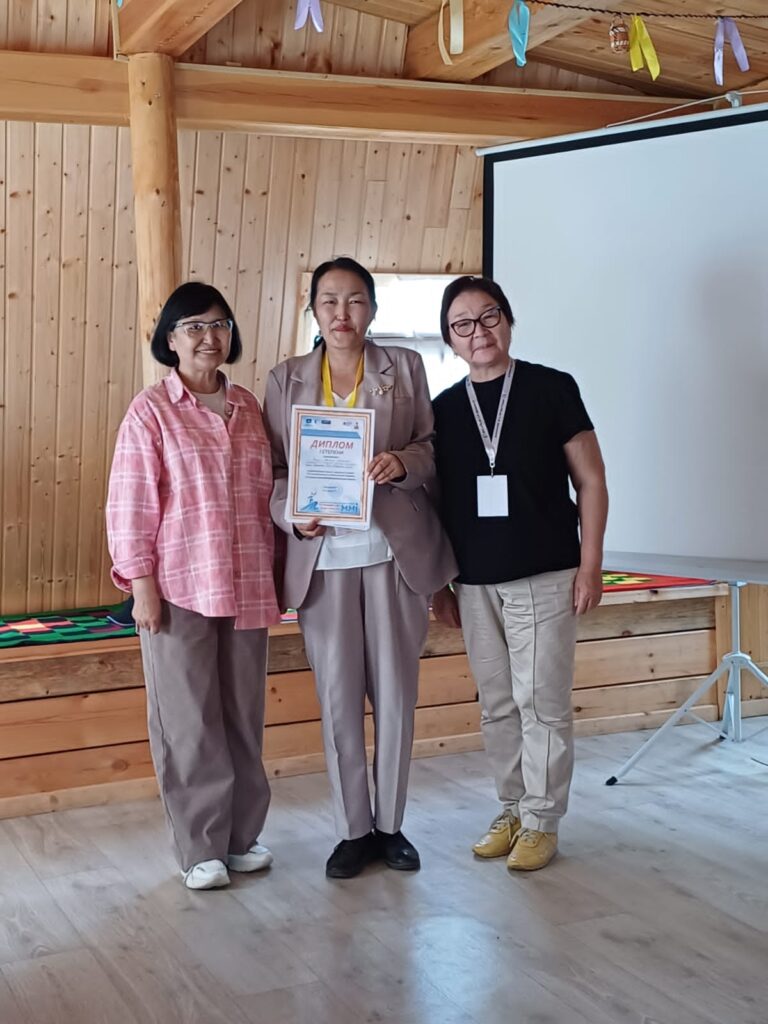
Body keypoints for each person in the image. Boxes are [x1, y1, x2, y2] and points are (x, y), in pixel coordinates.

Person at [264, 257, 456, 879]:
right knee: (338, 698)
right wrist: (294, 517)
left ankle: (391, 826)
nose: (341, 313)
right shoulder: (286, 378)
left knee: (397, 695)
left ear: (372, 308)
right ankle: (353, 830)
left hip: (393, 554)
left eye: (354, 300)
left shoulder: (404, 366)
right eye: (329, 301)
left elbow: (431, 448)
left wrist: (403, 463)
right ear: (313, 310)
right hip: (323, 562)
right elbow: (273, 472)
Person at [106, 282, 280, 890]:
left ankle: (240, 838)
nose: (210, 337)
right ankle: (200, 847)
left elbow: (270, 495)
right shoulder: (150, 410)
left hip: (249, 584)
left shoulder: (250, 407)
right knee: (188, 720)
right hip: (179, 586)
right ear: (171, 340)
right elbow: (130, 503)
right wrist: (141, 585)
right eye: (194, 326)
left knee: (243, 717)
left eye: (220, 324)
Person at [431, 275, 608, 872]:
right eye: (462, 324)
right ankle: (512, 808)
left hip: (546, 573)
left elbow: (591, 482)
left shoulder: (552, 388)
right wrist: (441, 584)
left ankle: (542, 820)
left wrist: (591, 565)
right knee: (499, 706)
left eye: (489, 316)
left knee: (543, 704)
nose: (478, 332)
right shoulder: (442, 410)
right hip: (474, 582)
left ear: (507, 320)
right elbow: (437, 505)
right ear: (449, 338)